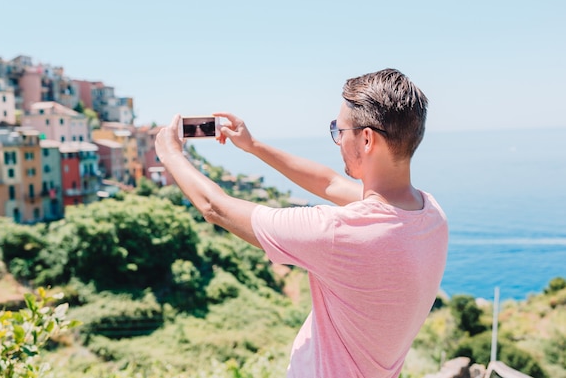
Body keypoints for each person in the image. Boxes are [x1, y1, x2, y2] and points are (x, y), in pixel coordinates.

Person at [155, 68, 448, 378]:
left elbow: (215, 207)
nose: (337, 141)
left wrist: (171, 155)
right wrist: (253, 146)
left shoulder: (339, 233)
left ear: (366, 138)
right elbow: (329, 183)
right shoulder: (430, 215)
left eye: (339, 130)